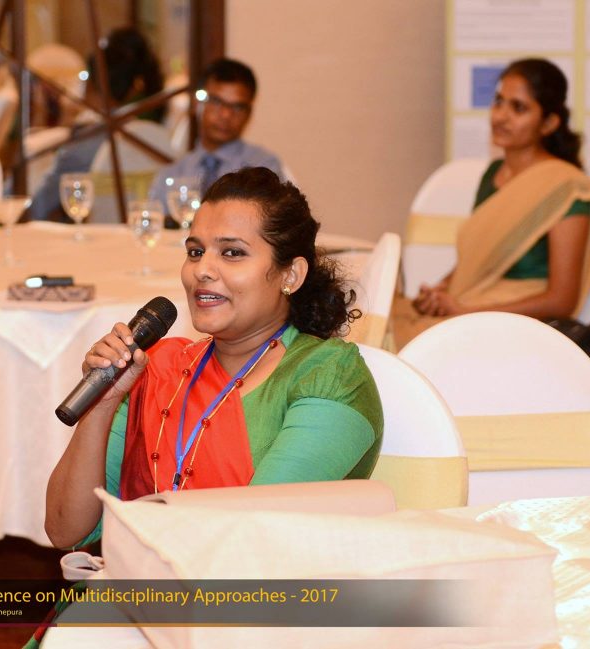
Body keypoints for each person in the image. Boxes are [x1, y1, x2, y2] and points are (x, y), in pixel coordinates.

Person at [44, 167, 383, 550]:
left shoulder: (327, 376)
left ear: (290, 275)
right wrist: (103, 405)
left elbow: (251, 538)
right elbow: (65, 530)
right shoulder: (158, 368)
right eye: (195, 252)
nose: (202, 270)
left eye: (232, 253)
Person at [394, 58, 590, 346]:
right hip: (470, 309)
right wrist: (440, 292)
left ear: (549, 123)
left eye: (518, 108)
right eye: (498, 102)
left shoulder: (568, 189)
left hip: (519, 330)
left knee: (408, 345)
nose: (501, 116)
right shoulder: (493, 175)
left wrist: (467, 312)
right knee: (385, 319)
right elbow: (478, 261)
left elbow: (561, 301)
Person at [28, 27, 164, 222]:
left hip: (91, 234)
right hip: (142, 226)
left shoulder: (86, 143)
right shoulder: (157, 135)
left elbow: (39, 207)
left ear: (91, 83)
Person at [148, 58, 285, 223]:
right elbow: (154, 227)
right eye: (216, 102)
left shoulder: (263, 169)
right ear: (196, 103)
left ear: (249, 113)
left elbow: (274, 228)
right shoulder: (172, 175)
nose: (226, 115)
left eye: (237, 107)